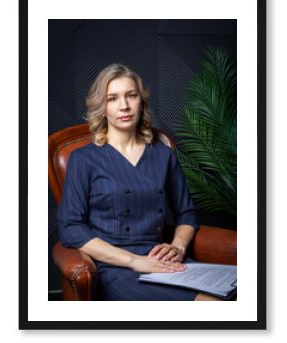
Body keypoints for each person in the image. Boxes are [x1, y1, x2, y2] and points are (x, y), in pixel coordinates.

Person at [58, 63, 222, 301]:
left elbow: (186, 215)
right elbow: (71, 228)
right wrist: (135, 261)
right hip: (115, 267)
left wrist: (177, 247)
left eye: (131, 96)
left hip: (163, 261)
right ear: (102, 107)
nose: (124, 106)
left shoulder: (162, 154)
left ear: (141, 101)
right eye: (113, 98)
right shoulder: (84, 159)